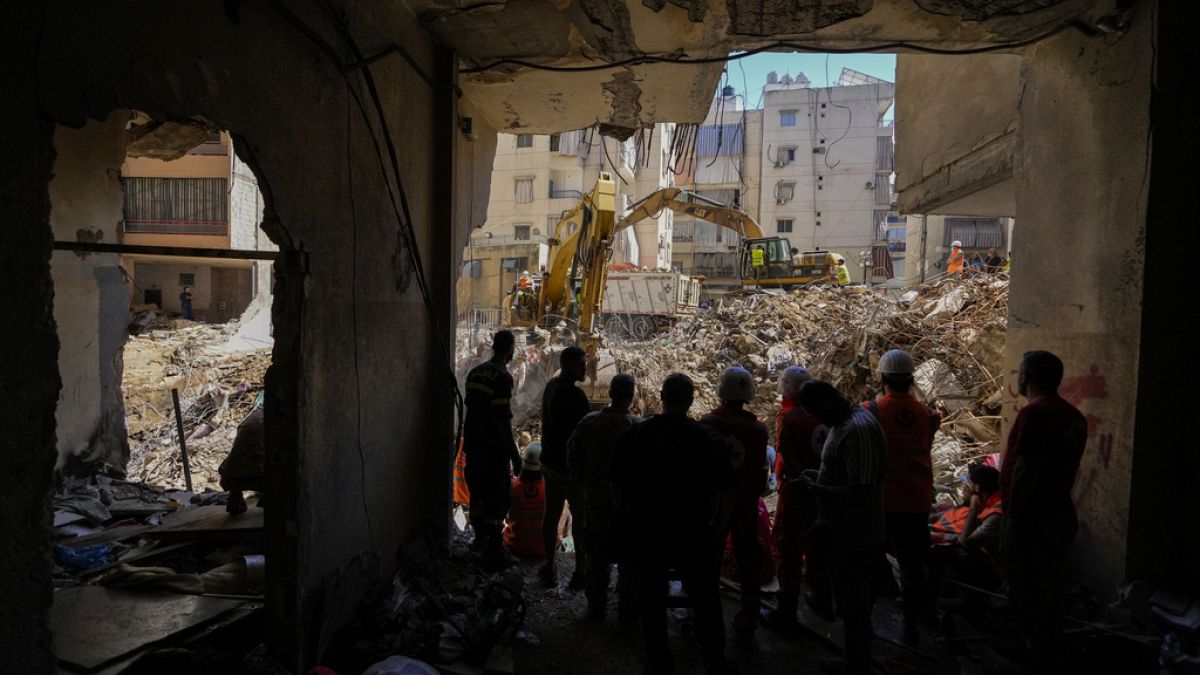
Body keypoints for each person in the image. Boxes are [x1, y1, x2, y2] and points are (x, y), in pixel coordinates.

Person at [613, 374, 734, 674]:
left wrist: (627, 515)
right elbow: (728, 491)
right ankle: (714, 659)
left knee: (652, 598)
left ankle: (659, 662)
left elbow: (616, 485)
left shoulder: (637, 435)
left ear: (662, 398)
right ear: (691, 401)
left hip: (649, 532)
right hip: (693, 534)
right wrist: (717, 530)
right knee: (706, 597)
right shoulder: (707, 438)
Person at [1000, 350, 1087, 673]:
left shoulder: (1035, 414)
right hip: (1060, 515)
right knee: (1048, 589)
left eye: (1020, 372)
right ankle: (1040, 647)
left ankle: (1035, 654)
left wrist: (1012, 520)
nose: (1017, 377)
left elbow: (1026, 470)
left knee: (1027, 590)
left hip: (1032, 521)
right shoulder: (1073, 416)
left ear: (1027, 376)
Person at [794, 381, 888, 675]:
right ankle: (854, 659)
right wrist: (818, 478)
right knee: (850, 602)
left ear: (825, 402)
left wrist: (816, 490)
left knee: (856, 605)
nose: (816, 420)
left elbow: (862, 492)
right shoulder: (845, 423)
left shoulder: (856, 431)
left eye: (815, 413)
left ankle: (856, 665)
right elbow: (844, 475)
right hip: (844, 531)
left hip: (856, 534)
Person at [863, 349, 941, 645]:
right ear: (911, 380)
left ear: (882, 377)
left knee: (870, 560)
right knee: (912, 566)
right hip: (916, 500)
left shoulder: (870, 411)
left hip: (881, 500)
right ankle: (911, 626)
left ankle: (865, 622)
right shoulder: (930, 416)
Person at [700, 367, 769, 641]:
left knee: (708, 556)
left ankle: (703, 613)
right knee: (747, 557)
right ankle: (749, 617)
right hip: (745, 505)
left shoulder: (707, 423)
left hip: (714, 503)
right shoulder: (758, 430)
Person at [567, 373, 641, 620]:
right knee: (628, 556)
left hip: (595, 502)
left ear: (609, 394)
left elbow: (572, 458)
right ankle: (626, 611)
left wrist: (585, 485)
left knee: (596, 556)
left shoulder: (589, 422)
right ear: (631, 398)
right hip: (627, 506)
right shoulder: (637, 427)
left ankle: (596, 606)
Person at [763, 366, 830, 629]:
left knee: (788, 548)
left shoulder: (789, 418)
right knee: (818, 545)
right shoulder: (822, 417)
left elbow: (786, 458)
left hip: (796, 490)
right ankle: (821, 597)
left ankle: (786, 610)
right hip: (822, 489)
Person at [464, 330, 522, 569]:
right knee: (497, 496)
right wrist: (514, 454)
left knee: (477, 491)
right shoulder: (502, 378)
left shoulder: (475, 373)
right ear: (509, 350)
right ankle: (495, 549)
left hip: (473, 443)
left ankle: (479, 542)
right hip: (492, 448)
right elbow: (501, 420)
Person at [538, 346, 593, 588]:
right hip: (571, 470)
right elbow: (585, 435)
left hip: (550, 464)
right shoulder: (576, 396)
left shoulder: (551, 386)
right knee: (581, 521)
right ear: (568, 364)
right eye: (580, 364)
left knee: (551, 514)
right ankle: (581, 573)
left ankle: (549, 566)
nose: (584, 368)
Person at [928, 464, 1005, 598]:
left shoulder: (996, 513)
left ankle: (968, 598)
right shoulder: (989, 504)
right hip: (985, 561)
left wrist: (973, 508)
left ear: (977, 488)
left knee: (952, 550)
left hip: (995, 570)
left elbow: (966, 543)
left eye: (966, 483)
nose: (964, 488)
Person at [504, 443, 550, 557]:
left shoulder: (513, 486)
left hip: (515, 546)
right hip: (544, 548)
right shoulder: (549, 489)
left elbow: (506, 514)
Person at [220, 406, 265, 514]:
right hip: (254, 475)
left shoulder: (253, 416)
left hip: (228, 474)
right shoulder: (275, 419)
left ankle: (235, 496)